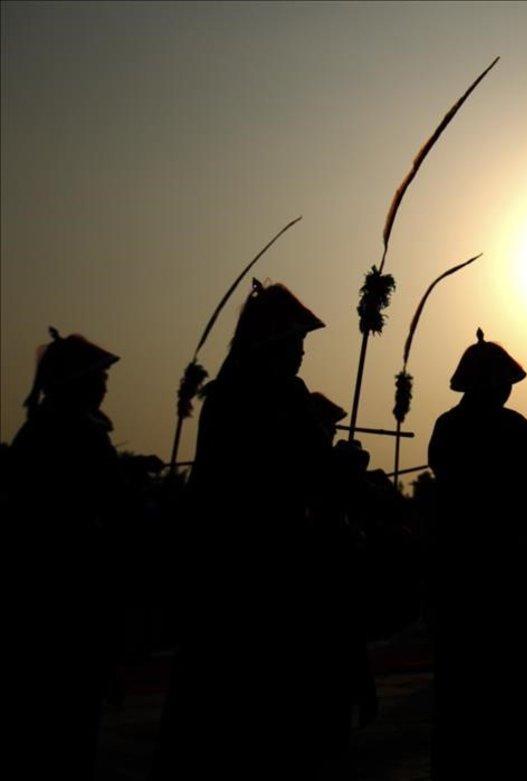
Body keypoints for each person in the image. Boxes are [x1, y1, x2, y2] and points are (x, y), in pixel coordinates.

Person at [153, 282, 364, 780]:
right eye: (295, 343)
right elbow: (301, 471)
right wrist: (342, 466)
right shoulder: (269, 397)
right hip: (259, 569)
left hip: (233, 569)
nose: (301, 353)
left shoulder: (230, 394)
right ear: (273, 342)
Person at [427, 329, 527, 779]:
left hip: (459, 575)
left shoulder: (447, 429)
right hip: (505, 576)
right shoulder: (511, 433)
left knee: (460, 692)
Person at [10, 328, 127, 778]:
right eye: (97, 378)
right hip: (66, 592)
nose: (103, 386)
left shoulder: (38, 431)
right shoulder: (74, 435)